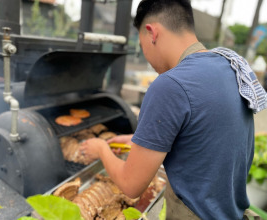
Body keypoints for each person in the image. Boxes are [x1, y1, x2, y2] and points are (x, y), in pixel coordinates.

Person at [80, 0, 256, 219]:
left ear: (151, 32)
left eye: (141, 46)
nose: (145, 55)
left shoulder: (171, 84)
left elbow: (131, 185)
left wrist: (101, 150)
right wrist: (141, 140)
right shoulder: (230, 66)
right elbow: (208, 136)